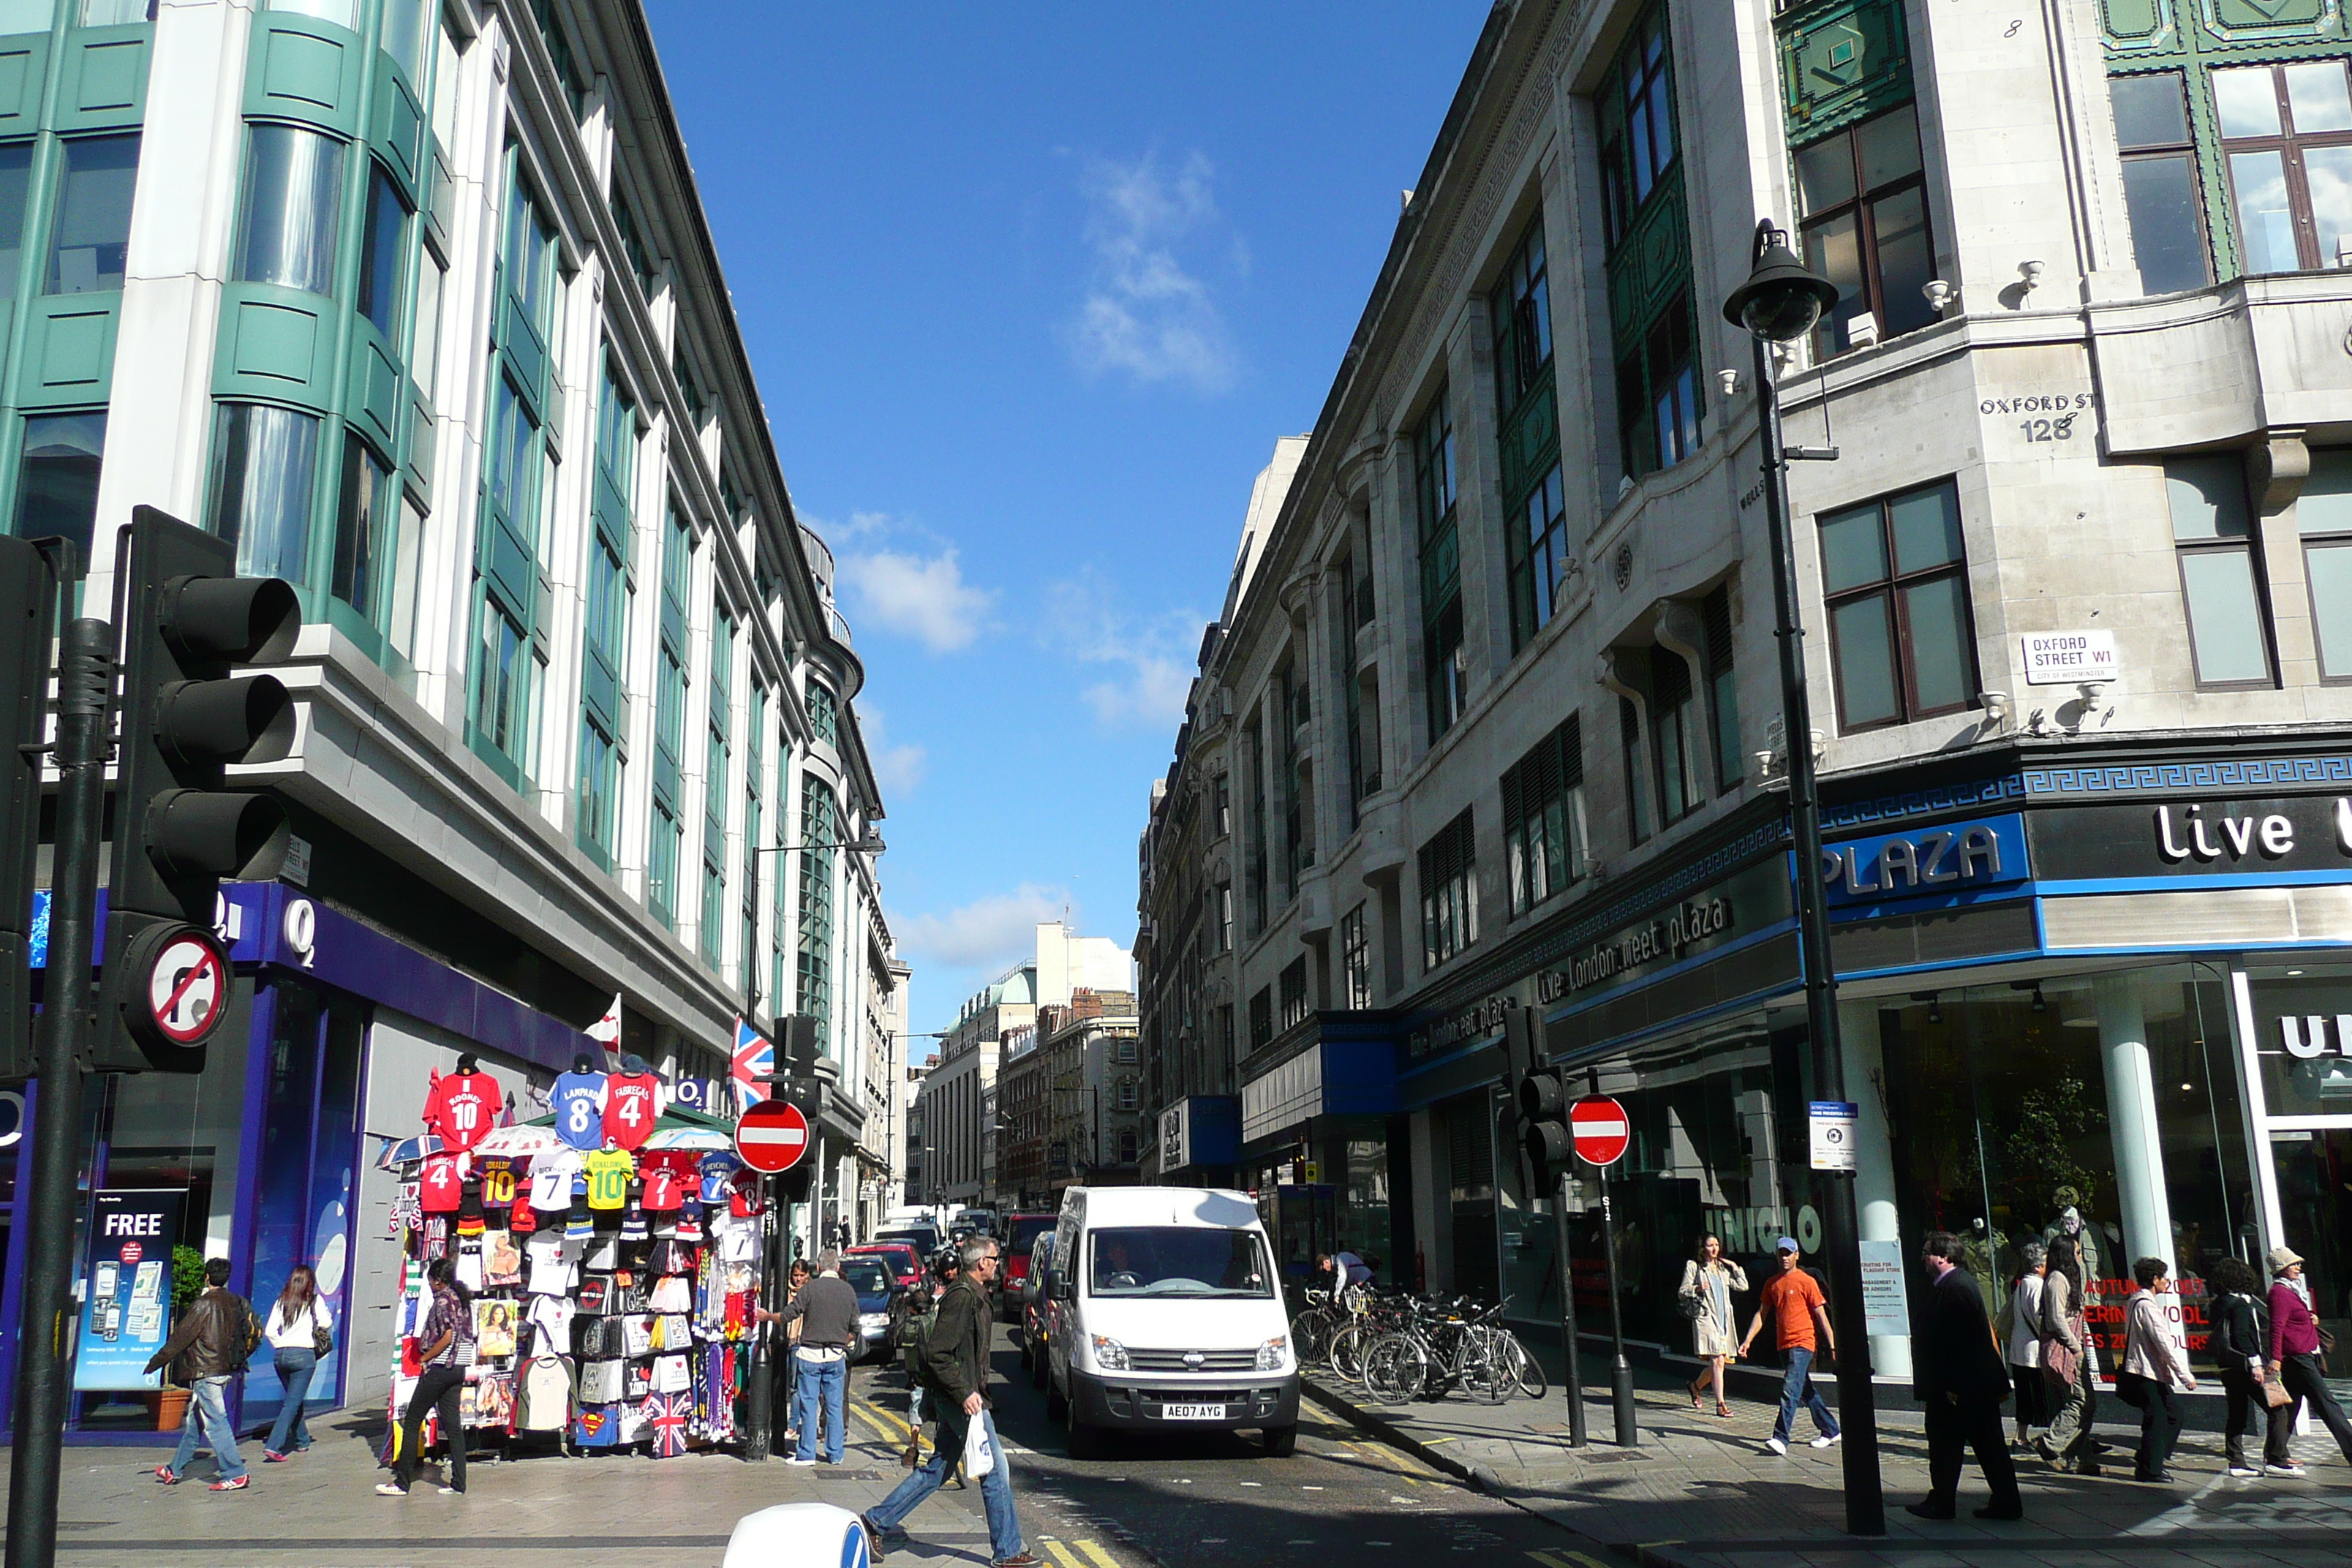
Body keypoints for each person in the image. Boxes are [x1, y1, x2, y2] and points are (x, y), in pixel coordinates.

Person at [862, 1237, 1036, 1568]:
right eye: (995, 1259)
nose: (999, 1264)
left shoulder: (975, 1295)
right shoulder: (962, 1297)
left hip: (964, 1398)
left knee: (938, 1470)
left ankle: (874, 1523)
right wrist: (966, 1393)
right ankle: (1008, 1551)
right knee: (996, 1470)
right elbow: (937, 1353)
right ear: (981, 1262)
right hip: (964, 1402)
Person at [1908, 1229, 2023, 1520]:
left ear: (1944, 1258)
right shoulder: (1953, 1285)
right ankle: (2000, 1500)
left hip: (1960, 1389)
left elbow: (1963, 1342)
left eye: (1927, 1253)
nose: (1923, 1258)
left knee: (1952, 1445)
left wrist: (1951, 1387)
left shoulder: (1956, 1287)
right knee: (1984, 1446)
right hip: (1968, 1387)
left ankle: (1945, 1501)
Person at [146, 1256, 259, 1491]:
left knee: (216, 1422)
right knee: (196, 1423)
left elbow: (180, 1338)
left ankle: (235, 1472)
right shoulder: (236, 1302)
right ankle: (174, 1469)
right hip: (225, 1369)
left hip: (206, 1370)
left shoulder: (203, 1304)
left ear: (207, 1277)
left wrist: (155, 1363)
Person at [377, 1257, 475, 1496]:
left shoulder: (442, 1301)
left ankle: (402, 1482)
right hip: (457, 1369)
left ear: (438, 1281)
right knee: (453, 1426)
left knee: (412, 1421)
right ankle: (459, 1483)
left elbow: (447, 1336)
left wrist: (424, 1357)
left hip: (440, 1369)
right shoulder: (461, 1299)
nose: (429, 1285)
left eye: (431, 1280)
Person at [1736, 1235, 1839, 1455]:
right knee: (1805, 1390)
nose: (1784, 1257)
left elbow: (1821, 1315)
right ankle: (1831, 1429)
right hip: (1784, 1345)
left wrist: (1832, 1345)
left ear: (1796, 1255)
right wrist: (1747, 1341)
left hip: (1803, 1343)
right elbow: (1762, 1314)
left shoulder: (1806, 1281)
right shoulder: (1772, 1283)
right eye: (1781, 1253)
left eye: (1789, 1253)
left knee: (1790, 1389)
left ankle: (1781, 1438)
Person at [2267, 1245, 2352, 1474]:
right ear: (2282, 1268)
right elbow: (2276, 1327)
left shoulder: (2290, 1290)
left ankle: (2275, 1455)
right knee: (2327, 1404)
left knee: (2291, 1407)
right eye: (2293, 1264)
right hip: (2297, 1358)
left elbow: (2292, 1321)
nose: (2298, 1267)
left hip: (2304, 1356)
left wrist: (2309, 1318)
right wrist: (2275, 1358)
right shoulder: (2279, 1293)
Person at [2119, 1255, 2195, 1483]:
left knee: (2172, 1413)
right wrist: (2185, 1375)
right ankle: (2150, 1467)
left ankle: (2149, 1457)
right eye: (2164, 1278)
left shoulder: (2134, 1302)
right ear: (2154, 1279)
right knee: (2160, 1416)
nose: (2167, 1282)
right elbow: (2164, 1344)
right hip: (2146, 1371)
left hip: (2144, 1369)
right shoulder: (2148, 1307)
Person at [783, 1248, 860, 1466]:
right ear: (837, 1267)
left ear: (818, 1268)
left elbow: (790, 1314)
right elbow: (856, 1327)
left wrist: (769, 1316)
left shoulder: (810, 1289)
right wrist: (840, 1341)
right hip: (836, 1356)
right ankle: (835, 1454)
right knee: (834, 1407)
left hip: (810, 1355)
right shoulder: (848, 1291)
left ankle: (807, 1453)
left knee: (809, 1406)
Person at [2035, 1235, 2101, 1475]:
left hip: (2073, 1347)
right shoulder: (2057, 1280)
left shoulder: (2066, 1278)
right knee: (2081, 1401)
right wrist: (2076, 1346)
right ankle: (2050, 1443)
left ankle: (2079, 1457)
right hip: (2065, 1350)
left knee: (2087, 1402)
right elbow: (2056, 1319)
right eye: (2077, 1252)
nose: (2080, 1257)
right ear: (2066, 1255)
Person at [2206, 1256, 2273, 1479]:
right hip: (2247, 1366)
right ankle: (2276, 1456)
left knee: (2237, 1413)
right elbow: (2242, 1335)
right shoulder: (2240, 1304)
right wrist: (2256, 1363)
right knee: (2279, 1408)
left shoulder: (2217, 1304)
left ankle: (2236, 1461)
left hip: (2228, 1366)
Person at [261, 1264, 332, 1462]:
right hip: (304, 1356)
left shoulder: (282, 1301)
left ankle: (302, 1441)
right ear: (310, 1283)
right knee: (291, 1403)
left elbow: (269, 1331)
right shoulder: (315, 1301)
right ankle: (273, 1446)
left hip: (281, 1356)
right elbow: (326, 1323)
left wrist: (281, 1344)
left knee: (294, 1399)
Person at [1679, 1234, 1747, 1417]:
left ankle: (1696, 1386)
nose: (1715, 1249)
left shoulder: (1723, 1269)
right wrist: (1697, 1288)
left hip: (1724, 1319)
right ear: (1703, 1248)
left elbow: (1743, 1286)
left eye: (1717, 1245)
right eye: (1710, 1245)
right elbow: (1682, 1292)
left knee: (1720, 1363)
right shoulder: (1695, 1267)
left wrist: (1735, 1267)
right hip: (1707, 1318)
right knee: (1717, 1360)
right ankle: (1720, 1404)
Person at [2002, 1242, 2048, 1448]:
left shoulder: (2022, 1285)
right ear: (2037, 1266)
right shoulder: (2037, 1286)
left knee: (2025, 1397)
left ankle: (2020, 1436)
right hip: (2035, 1352)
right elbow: (2040, 1318)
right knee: (2046, 1396)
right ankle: (2054, 1439)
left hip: (2019, 1350)